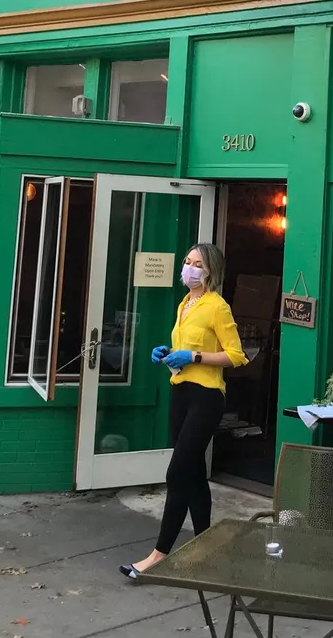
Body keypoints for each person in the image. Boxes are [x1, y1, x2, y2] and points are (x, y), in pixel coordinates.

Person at [120, 243, 247, 579]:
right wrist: (168, 353)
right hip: (180, 392)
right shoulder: (185, 303)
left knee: (176, 474)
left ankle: (158, 555)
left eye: (197, 264)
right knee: (192, 474)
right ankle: (206, 547)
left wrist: (194, 357)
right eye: (187, 261)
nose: (189, 268)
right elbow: (185, 347)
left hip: (206, 396)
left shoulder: (217, 306)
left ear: (211, 271)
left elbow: (236, 355)